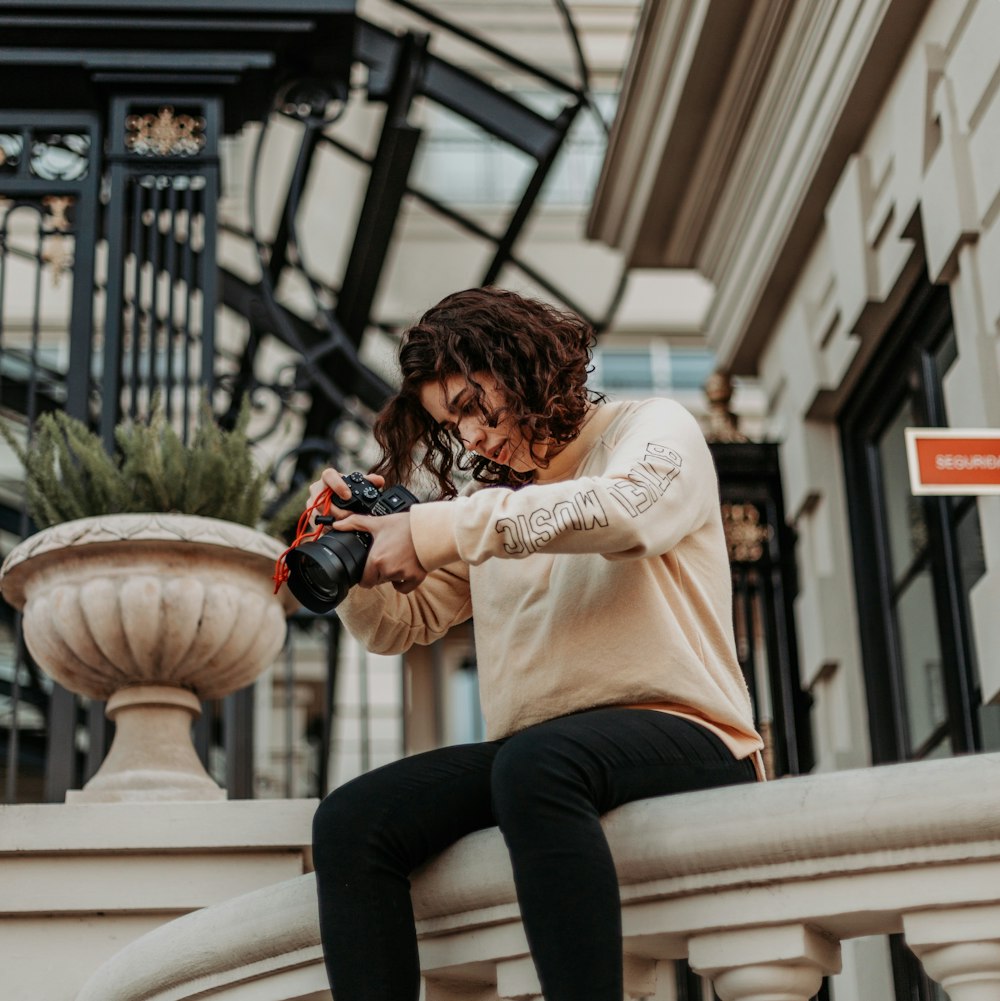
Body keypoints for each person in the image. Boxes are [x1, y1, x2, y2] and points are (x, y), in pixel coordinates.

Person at [308, 286, 763, 1001]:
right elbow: (404, 625)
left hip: (693, 735)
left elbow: (626, 511)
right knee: (350, 821)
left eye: (467, 406)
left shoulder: (653, 427)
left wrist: (437, 526)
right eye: (451, 426)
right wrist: (358, 555)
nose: (471, 440)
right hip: (543, 760)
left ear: (516, 361)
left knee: (534, 764)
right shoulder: (495, 506)